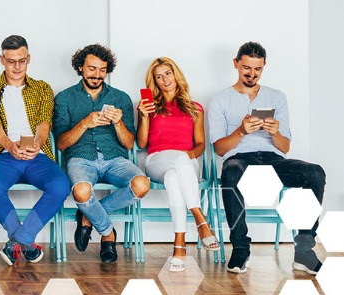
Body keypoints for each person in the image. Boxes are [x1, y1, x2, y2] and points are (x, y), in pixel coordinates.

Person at [209, 42, 325, 275]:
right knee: (230, 170)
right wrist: (241, 131)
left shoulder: (277, 97)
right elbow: (220, 149)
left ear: (263, 67)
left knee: (314, 172)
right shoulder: (219, 99)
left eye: (257, 69)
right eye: (247, 68)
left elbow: (285, 147)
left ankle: (304, 250)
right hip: (239, 159)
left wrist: (275, 133)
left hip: (273, 160)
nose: (252, 74)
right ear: (236, 64)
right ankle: (241, 249)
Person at [0, 35, 70, 266]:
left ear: (29, 58)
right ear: (2, 60)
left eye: (21, 60)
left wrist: (38, 143)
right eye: (11, 61)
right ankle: (26, 243)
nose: (17, 66)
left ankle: (19, 241)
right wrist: (10, 146)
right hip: (2, 155)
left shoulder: (42, 88)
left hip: (36, 156)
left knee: (60, 185)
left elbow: (44, 123)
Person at [54, 44, 150, 263]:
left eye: (102, 70)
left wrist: (118, 123)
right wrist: (84, 123)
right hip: (80, 158)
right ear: (80, 67)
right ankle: (108, 234)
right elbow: (61, 144)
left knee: (142, 185)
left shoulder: (120, 98)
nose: (97, 75)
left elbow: (128, 144)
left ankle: (87, 216)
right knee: (81, 191)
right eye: (92, 68)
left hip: (115, 158)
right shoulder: (65, 98)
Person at [136, 57, 219, 272]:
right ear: (154, 82)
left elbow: (200, 145)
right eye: (159, 77)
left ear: (176, 74)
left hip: (186, 164)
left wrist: (187, 156)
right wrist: (143, 116)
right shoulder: (149, 107)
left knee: (174, 178)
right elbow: (142, 144)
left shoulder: (195, 108)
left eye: (168, 73)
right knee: (177, 163)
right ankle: (201, 220)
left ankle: (179, 246)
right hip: (156, 160)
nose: (165, 79)